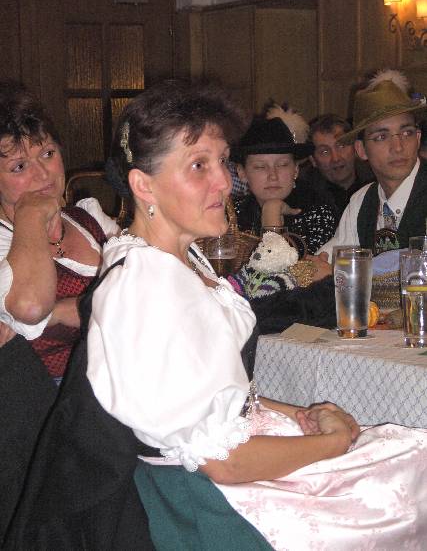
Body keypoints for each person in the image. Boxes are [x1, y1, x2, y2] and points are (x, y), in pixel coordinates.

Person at [86, 80, 427, 549]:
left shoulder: (178, 260)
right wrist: (331, 443)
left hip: (225, 468)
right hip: (209, 505)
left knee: (404, 452)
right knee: (408, 477)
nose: (224, 182)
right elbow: (223, 461)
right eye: (199, 166)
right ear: (144, 185)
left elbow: (210, 398)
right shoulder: (147, 286)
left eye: (222, 162)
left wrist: (299, 413)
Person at [0, 80, 118, 380]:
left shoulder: (88, 217)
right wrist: (30, 214)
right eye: (19, 167)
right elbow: (30, 306)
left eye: (48, 154)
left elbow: (147, 281)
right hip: (52, 399)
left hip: (124, 377)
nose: (43, 174)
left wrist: (66, 310)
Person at [317, 70, 427, 261]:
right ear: (361, 150)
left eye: (406, 133)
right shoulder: (361, 202)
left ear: (418, 139)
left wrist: (334, 272)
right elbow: (327, 259)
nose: (398, 147)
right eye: (381, 137)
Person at [232, 116, 337, 255]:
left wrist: (272, 217)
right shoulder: (231, 214)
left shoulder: (319, 213)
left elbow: (278, 264)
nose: (273, 175)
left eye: (282, 165)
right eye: (260, 166)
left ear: (296, 170)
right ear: (242, 173)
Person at [308, 113, 373, 220]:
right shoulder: (305, 197)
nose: (336, 158)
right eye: (324, 151)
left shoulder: (377, 183)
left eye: (341, 146)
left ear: (356, 148)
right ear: (313, 160)